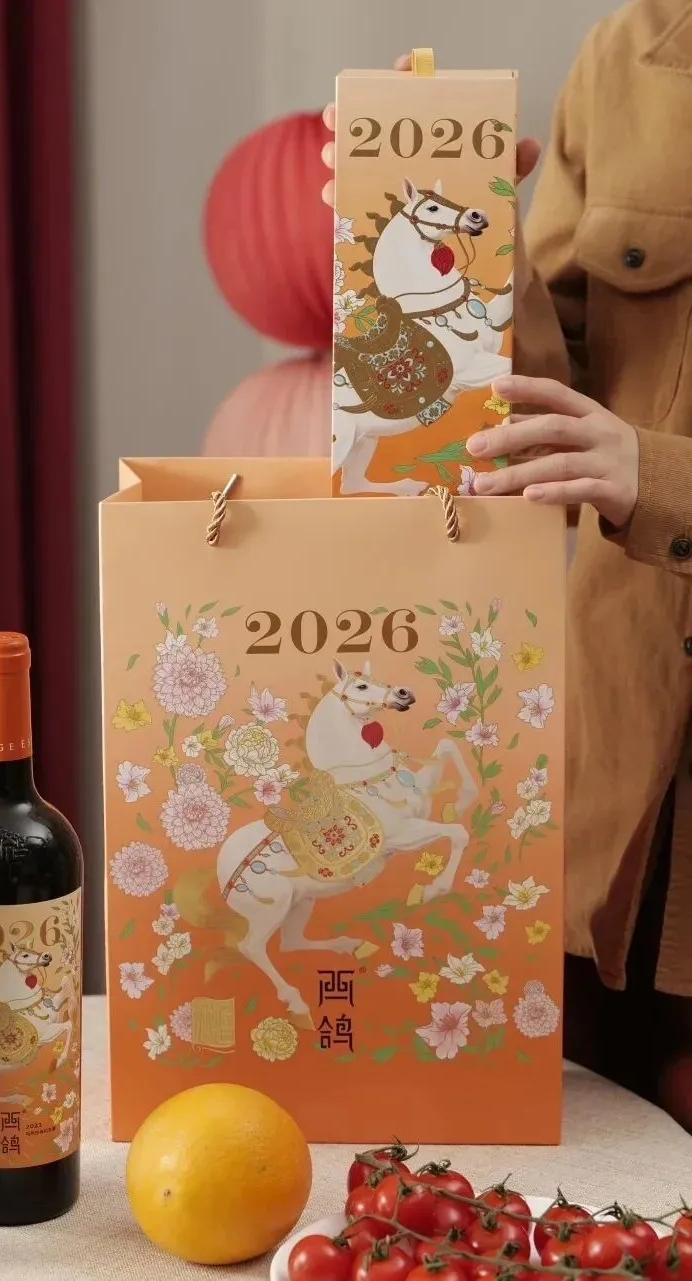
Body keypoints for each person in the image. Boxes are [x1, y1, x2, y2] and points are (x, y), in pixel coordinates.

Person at [326, 0, 692, 1128]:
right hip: (610, 792)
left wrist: (662, 479)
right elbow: (542, 401)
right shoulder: (632, 51)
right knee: (588, 1180)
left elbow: (630, 460)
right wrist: (467, 259)